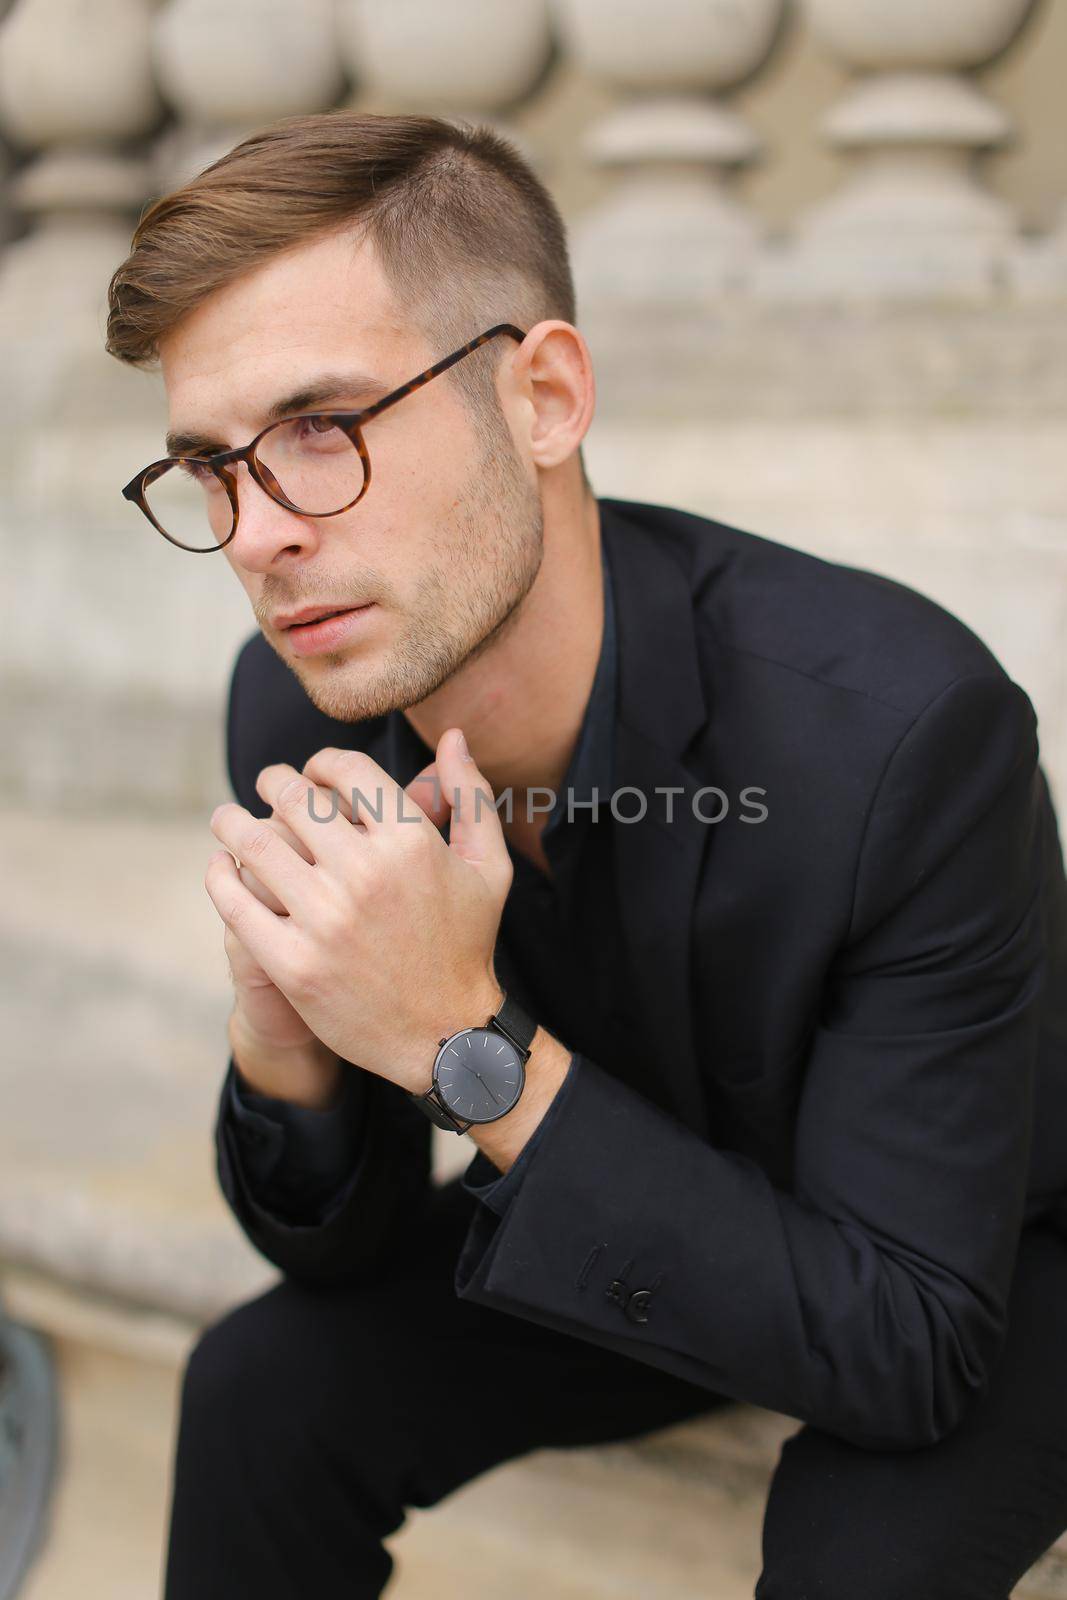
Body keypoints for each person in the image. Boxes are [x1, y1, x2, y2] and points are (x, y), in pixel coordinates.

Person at [104, 111, 1067, 1600]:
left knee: (858, 1563)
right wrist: (284, 1042)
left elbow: (912, 1347)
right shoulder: (304, 710)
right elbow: (337, 1260)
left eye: (319, 430)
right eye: (209, 468)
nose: (257, 535)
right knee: (258, 1392)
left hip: (976, 1259)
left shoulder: (904, 735)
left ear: (544, 395)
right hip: (641, 1183)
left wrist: (457, 1042)